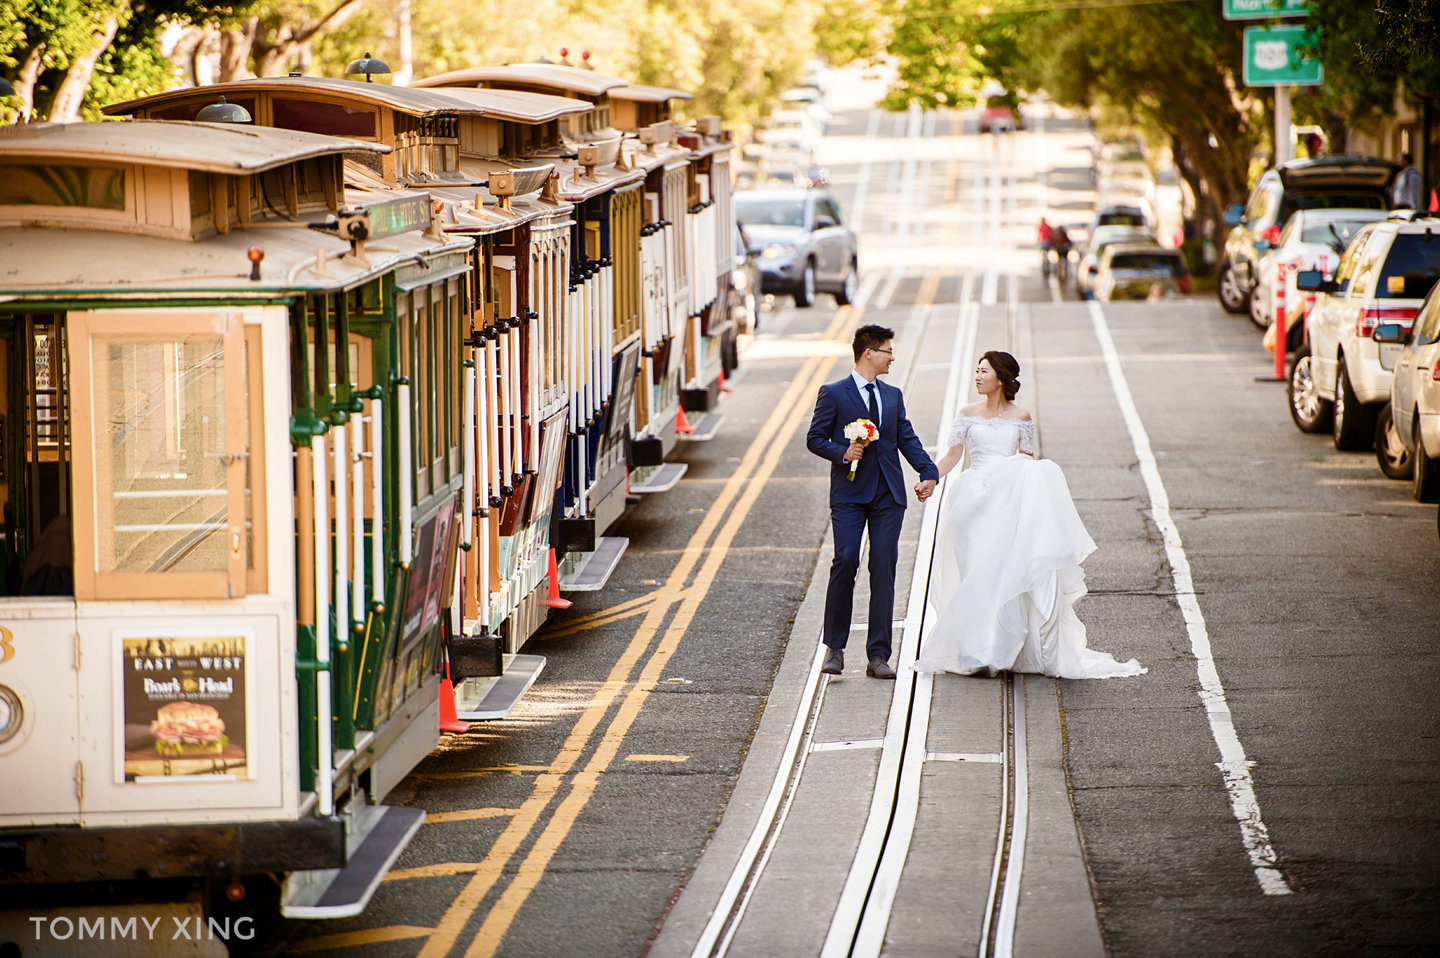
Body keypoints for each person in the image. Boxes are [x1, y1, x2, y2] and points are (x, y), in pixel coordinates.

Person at [914, 351, 1144, 679]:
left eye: (983, 371)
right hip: (972, 503)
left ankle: (998, 650)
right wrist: (931, 480)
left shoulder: (1021, 417)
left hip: (1007, 503)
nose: (977, 377)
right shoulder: (966, 414)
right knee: (974, 572)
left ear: (1002, 378)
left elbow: (1028, 459)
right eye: (976, 371)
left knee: (1001, 574)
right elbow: (953, 456)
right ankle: (976, 650)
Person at [807, 325, 939, 679]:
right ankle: (834, 649)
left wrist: (928, 471)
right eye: (887, 351)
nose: (892, 357)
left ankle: (878, 656)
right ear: (869, 353)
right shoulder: (833, 393)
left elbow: (906, 438)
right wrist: (842, 452)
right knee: (845, 559)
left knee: (883, 566)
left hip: (888, 495)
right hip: (849, 496)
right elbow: (815, 438)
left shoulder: (893, 395)